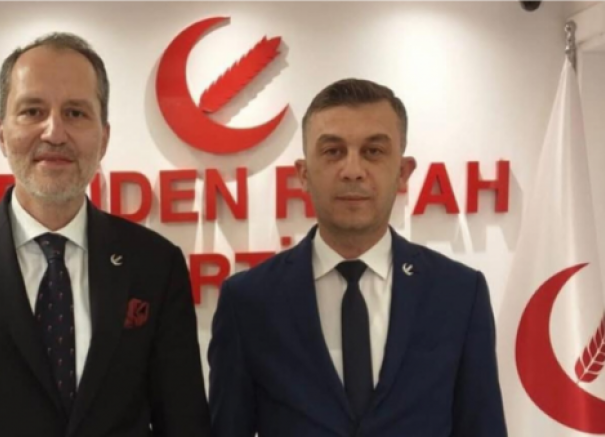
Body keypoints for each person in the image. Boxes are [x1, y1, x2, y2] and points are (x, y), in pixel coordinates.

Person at [0, 32, 211, 437]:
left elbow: (184, 422)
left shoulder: (156, 265)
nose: (54, 132)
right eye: (32, 111)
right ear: (1, 133)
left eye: (75, 113)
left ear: (104, 137)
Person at [208, 78, 507, 437]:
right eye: (333, 151)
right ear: (303, 174)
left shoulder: (459, 293)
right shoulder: (248, 301)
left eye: (373, 151)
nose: (352, 170)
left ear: (403, 172)